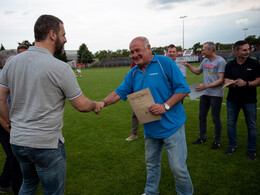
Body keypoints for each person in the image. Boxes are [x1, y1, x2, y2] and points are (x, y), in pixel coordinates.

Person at [0, 15, 103, 194]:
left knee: (29, 184)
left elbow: (0, 98)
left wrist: (11, 124)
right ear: (52, 34)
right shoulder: (60, 68)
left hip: (18, 141)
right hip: (46, 144)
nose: (65, 39)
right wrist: (96, 105)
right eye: (64, 34)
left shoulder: (11, 63)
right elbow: (81, 105)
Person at [100, 36, 193, 195]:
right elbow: (119, 93)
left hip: (172, 127)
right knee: (151, 165)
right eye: (131, 52)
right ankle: (150, 192)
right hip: (150, 129)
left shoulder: (165, 63)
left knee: (178, 168)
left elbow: (183, 89)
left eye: (137, 50)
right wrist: (102, 103)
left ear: (148, 48)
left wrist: (165, 106)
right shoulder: (133, 72)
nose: (134, 55)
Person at [181, 42, 226, 149]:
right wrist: (188, 65)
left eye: (204, 49)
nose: (202, 52)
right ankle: (202, 137)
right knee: (202, 116)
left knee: (215, 118)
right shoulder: (205, 61)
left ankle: (217, 141)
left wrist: (205, 86)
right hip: (204, 94)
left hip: (216, 95)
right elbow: (197, 72)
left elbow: (221, 80)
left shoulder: (221, 61)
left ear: (210, 50)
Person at [224, 40, 260, 160]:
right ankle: (232, 146)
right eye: (244, 50)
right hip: (232, 100)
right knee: (230, 124)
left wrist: (246, 83)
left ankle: (251, 149)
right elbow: (226, 80)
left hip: (249, 100)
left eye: (248, 49)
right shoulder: (230, 65)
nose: (247, 52)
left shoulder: (254, 63)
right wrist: (230, 83)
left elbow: (259, 80)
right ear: (236, 51)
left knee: (252, 125)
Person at [0, 50, 22, 195]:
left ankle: (3, 183)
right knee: (15, 157)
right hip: (5, 124)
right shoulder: (2, 76)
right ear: (7, 62)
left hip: (10, 122)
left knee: (12, 156)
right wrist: (8, 126)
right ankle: (18, 189)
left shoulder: (8, 75)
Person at [126, 61, 139, 141]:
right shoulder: (134, 63)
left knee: (149, 115)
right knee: (134, 115)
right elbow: (132, 77)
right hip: (135, 93)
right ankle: (134, 134)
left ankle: (151, 134)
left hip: (147, 92)